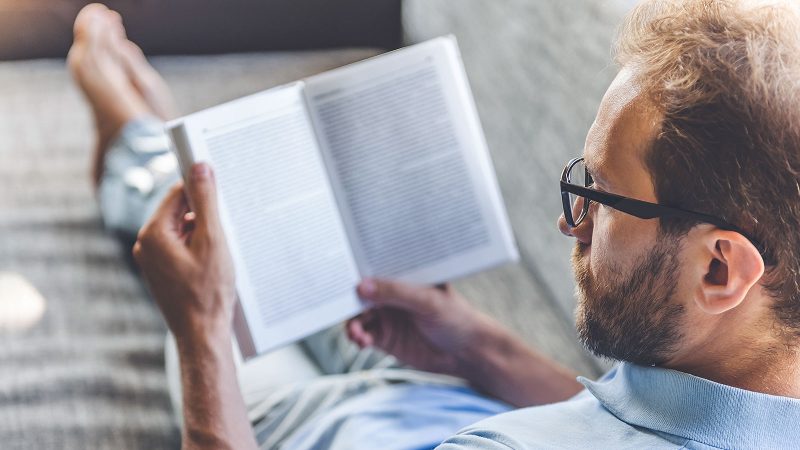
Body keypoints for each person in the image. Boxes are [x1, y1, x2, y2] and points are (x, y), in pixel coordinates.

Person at [69, 0, 800, 448]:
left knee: (211, 245)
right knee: (297, 249)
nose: (568, 222)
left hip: (301, 426)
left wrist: (201, 336)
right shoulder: (741, 372)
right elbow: (631, 423)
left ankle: (137, 144)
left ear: (720, 268)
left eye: (602, 197)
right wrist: (473, 347)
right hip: (448, 387)